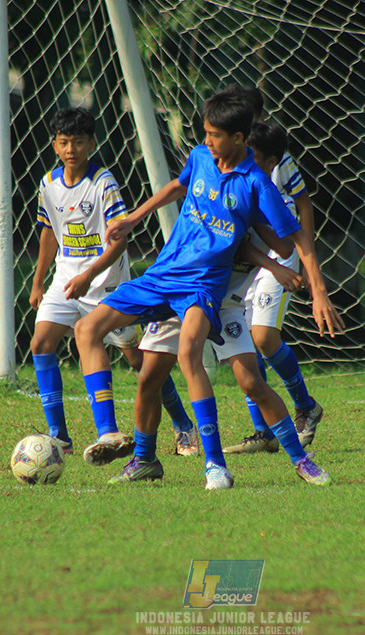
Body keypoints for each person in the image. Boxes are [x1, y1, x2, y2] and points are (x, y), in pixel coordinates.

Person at [73, 89, 343, 490]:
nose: (207, 141)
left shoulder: (258, 184)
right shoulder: (202, 158)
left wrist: (316, 290)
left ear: (240, 137)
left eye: (214, 133)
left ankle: (278, 460)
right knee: (139, 369)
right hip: (168, 276)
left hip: (215, 292)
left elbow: (293, 240)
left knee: (244, 379)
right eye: (206, 132)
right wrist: (133, 218)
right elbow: (179, 188)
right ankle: (132, 449)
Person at [29, 107, 198, 458]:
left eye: (78, 141)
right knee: (41, 343)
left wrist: (89, 274)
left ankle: (183, 425)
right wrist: (38, 280)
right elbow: (48, 231)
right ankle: (63, 435)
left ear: (91, 143)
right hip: (65, 279)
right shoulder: (48, 184)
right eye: (64, 142)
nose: (71, 149)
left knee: (139, 361)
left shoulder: (103, 182)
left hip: (105, 283)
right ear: (55, 146)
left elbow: (118, 239)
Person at [136, 206, 332, 486]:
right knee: (149, 377)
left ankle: (298, 460)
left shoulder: (264, 200)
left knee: (251, 381)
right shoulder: (220, 193)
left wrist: (310, 280)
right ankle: (143, 460)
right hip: (184, 293)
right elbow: (234, 244)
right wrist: (273, 265)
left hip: (226, 305)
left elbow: (289, 245)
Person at [222, 91, 327, 453]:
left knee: (264, 337)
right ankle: (264, 432)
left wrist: (304, 249)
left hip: (279, 254)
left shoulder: (279, 162)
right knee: (244, 343)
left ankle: (305, 405)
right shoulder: (230, 160)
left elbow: (303, 204)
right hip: (247, 256)